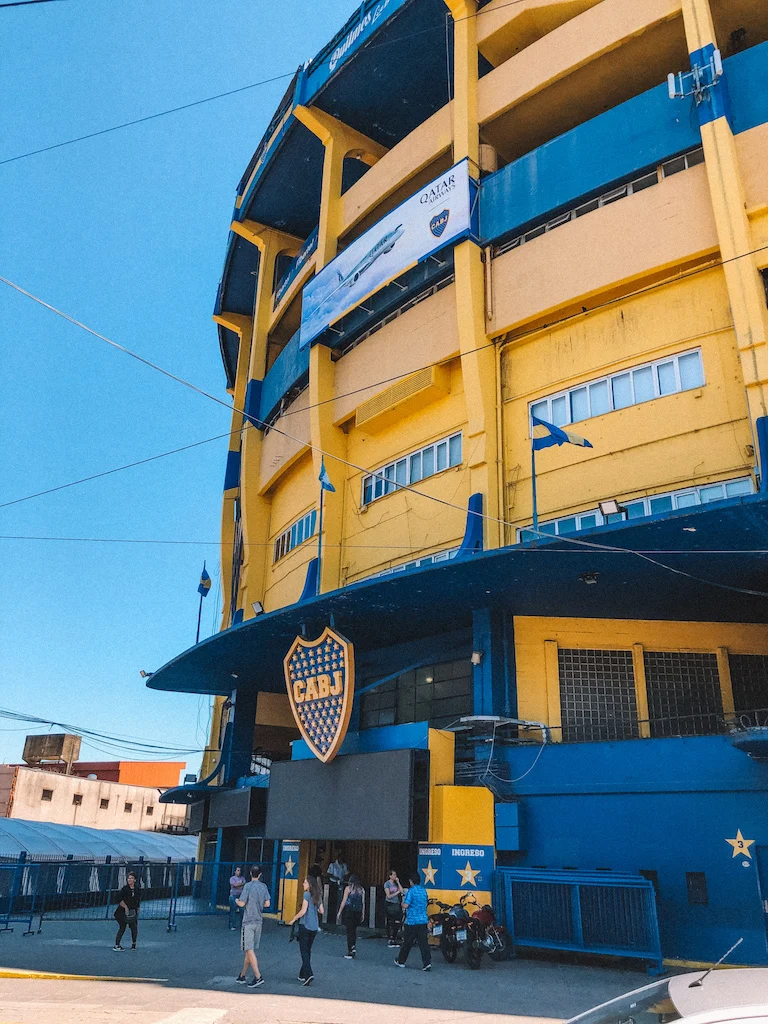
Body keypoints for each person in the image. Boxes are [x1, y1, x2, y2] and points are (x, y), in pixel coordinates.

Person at [234, 865, 271, 989]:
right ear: (260, 874)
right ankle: (242, 975)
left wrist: (236, 901)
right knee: (249, 950)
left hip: (248, 921)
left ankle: (258, 976)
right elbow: (267, 903)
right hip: (258, 921)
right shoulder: (264, 887)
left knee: (249, 949)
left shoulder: (248, 886)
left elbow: (242, 903)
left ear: (250, 873)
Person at [288, 875, 324, 986]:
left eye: (304, 882)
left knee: (304, 951)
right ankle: (302, 974)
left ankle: (309, 974)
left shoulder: (307, 894)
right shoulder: (317, 895)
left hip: (305, 925)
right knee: (308, 950)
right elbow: (321, 911)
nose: (303, 884)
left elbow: (303, 911)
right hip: (314, 927)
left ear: (309, 884)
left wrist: (293, 919)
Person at [394, 872, 431, 971]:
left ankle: (401, 961)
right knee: (423, 944)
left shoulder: (411, 891)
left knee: (407, 943)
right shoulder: (424, 891)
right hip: (423, 920)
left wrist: (402, 903)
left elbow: (406, 905)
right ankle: (427, 963)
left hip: (412, 921)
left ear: (411, 881)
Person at [336, 873, 365, 959]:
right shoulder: (362, 890)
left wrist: (339, 912)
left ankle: (350, 950)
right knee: (354, 930)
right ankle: (353, 946)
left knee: (349, 931)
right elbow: (363, 903)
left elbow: (344, 901)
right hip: (358, 912)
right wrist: (363, 913)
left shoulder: (348, 889)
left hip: (349, 911)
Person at [113, 870, 140, 951]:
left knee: (134, 927)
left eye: (131, 878)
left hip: (132, 911)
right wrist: (125, 907)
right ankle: (117, 945)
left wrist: (137, 909)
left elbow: (137, 900)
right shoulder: (124, 889)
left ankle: (134, 944)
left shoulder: (137, 889)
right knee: (122, 927)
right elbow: (119, 899)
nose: (129, 880)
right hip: (121, 912)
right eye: (128, 878)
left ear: (135, 880)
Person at [383, 869, 404, 947]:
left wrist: (398, 882)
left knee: (397, 921)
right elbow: (388, 896)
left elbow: (402, 891)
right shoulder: (387, 884)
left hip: (396, 903)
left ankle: (394, 937)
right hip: (389, 904)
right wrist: (397, 892)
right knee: (390, 921)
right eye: (394, 875)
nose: (395, 876)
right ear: (390, 876)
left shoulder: (396, 884)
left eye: (396, 875)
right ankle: (390, 937)